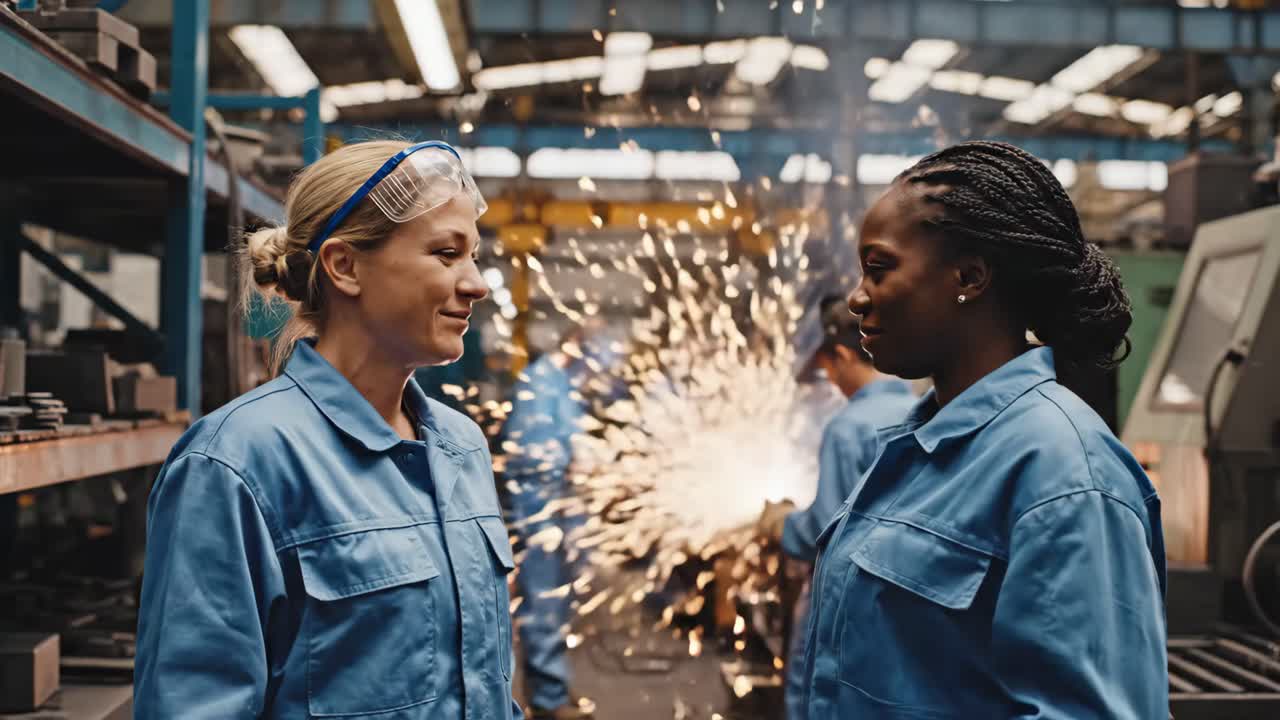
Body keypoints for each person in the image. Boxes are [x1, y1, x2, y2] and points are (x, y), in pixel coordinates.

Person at [135, 140, 523, 719]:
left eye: (472, 256)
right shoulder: (236, 465)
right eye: (446, 254)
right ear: (345, 266)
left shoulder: (460, 445)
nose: (477, 284)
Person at [796, 141, 1168, 719]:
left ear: (968, 277)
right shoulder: (914, 448)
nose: (858, 297)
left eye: (880, 267)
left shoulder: (1061, 473)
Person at [758, 295, 916, 720]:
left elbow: (824, 529)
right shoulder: (922, 410)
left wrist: (782, 525)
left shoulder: (849, 428)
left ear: (843, 356)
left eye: (828, 370)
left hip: (846, 596)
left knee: (815, 691)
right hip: (906, 594)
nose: (829, 380)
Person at [502, 327, 622, 720]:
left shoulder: (565, 384)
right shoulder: (540, 382)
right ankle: (547, 702)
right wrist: (572, 463)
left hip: (562, 509)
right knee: (543, 604)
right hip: (540, 512)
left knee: (558, 602)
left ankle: (548, 689)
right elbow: (531, 453)